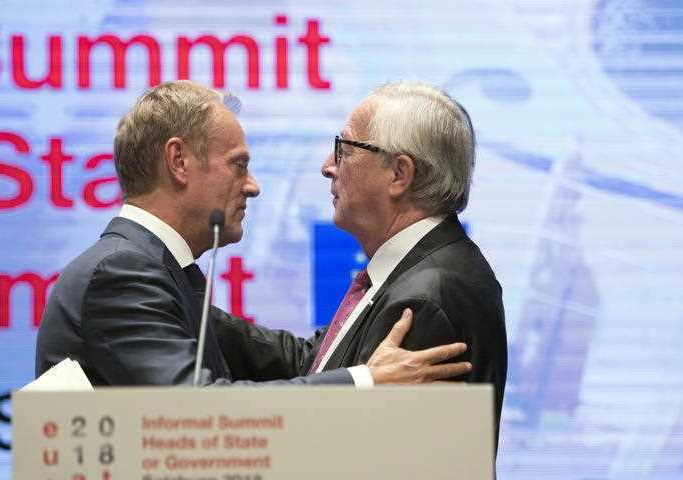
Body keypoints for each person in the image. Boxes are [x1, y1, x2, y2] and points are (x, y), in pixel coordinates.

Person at [35, 80, 471, 388]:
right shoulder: (122, 272)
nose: (253, 186)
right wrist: (365, 382)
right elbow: (196, 411)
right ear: (179, 162)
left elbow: (296, 360)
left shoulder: (153, 269)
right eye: (238, 165)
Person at [214, 82, 507, 480]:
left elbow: (370, 475)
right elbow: (316, 362)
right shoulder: (413, 270)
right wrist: (182, 303)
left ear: (399, 174)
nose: (327, 166)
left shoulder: (427, 296)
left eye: (345, 149)